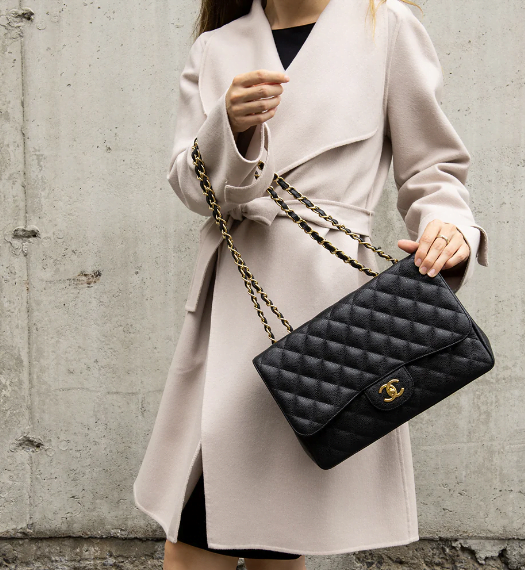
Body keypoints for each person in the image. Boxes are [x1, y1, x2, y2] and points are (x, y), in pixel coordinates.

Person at [133, 0, 489, 568]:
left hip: (327, 305)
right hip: (237, 290)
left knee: (280, 522)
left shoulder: (385, 25)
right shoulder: (216, 47)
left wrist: (448, 224)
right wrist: (230, 127)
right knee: (207, 517)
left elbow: (432, 167)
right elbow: (192, 188)